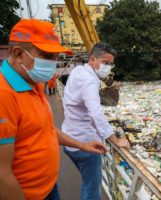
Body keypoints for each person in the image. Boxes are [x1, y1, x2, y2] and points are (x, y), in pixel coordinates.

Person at [0, 19, 107, 200]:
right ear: (19, 54)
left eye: (56, 57)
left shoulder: (33, 84)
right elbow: (2, 176)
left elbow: (45, 128)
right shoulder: (4, 95)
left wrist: (82, 144)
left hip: (48, 188)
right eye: (48, 56)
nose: (54, 63)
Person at [62, 42, 130, 200]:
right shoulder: (90, 81)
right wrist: (115, 140)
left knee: (88, 181)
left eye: (111, 64)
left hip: (70, 138)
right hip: (85, 144)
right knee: (92, 189)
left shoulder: (78, 70)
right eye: (105, 63)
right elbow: (95, 113)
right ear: (92, 59)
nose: (108, 67)